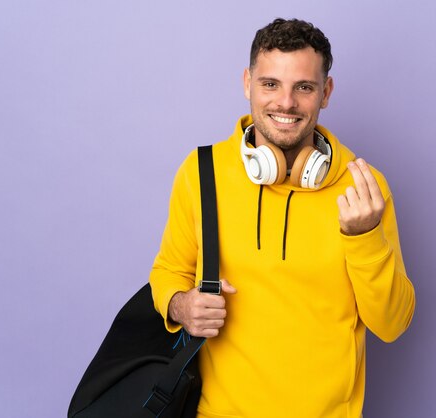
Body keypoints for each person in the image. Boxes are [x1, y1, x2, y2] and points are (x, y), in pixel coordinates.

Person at [149, 18, 415, 418]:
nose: (285, 103)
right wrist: (180, 305)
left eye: (303, 87)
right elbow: (169, 271)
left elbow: (392, 323)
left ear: (325, 93)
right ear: (247, 84)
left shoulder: (363, 187)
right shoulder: (202, 172)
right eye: (270, 84)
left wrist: (364, 236)